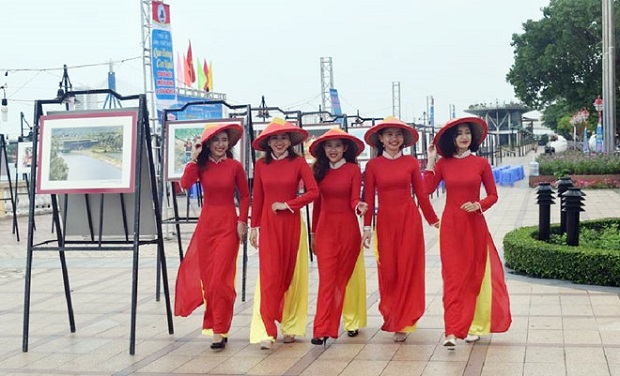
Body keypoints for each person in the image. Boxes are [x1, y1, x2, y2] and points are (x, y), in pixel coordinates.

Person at [424, 116, 511, 348]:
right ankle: (451, 331)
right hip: (451, 226)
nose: (464, 137)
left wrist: (479, 205)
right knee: (452, 277)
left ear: (472, 138)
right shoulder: (443, 164)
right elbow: (426, 189)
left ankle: (473, 326)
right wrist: (431, 160)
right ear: (452, 139)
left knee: (474, 275)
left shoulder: (481, 163)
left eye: (467, 133)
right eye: (458, 134)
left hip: (474, 225)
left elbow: (493, 195)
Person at [361, 117, 439, 342]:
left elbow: (421, 194)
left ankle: (404, 320)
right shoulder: (373, 166)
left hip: (409, 221)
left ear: (403, 139)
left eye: (398, 134)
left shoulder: (411, 163)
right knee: (389, 271)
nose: (393, 139)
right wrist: (367, 227)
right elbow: (367, 199)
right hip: (385, 223)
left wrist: (433, 220)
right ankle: (392, 313)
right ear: (381, 140)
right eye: (389, 135)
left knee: (408, 269)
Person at [174, 122, 250, 351]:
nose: (220, 145)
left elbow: (245, 197)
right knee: (209, 282)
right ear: (207, 144)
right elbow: (185, 184)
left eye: (224, 140)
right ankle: (217, 327)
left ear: (230, 143)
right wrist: (194, 157)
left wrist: (242, 221)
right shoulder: (201, 166)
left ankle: (219, 328)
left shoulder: (235, 167)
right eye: (216, 141)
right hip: (206, 227)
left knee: (221, 281)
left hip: (228, 227)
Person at [248, 118, 319, 349]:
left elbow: (313, 192)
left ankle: (290, 326)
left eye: (283, 138)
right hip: (268, 227)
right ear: (268, 142)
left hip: (292, 226)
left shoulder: (298, 163)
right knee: (269, 276)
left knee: (292, 275)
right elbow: (257, 198)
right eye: (275, 138)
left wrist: (289, 204)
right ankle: (267, 331)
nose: (279, 142)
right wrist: (254, 227)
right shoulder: (261, 165)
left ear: (290, 141)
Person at [308, 127, 368, 345]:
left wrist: (359, 206)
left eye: (337, 146)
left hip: (347, 231)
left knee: (341, 280)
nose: (333, 150)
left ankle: (337, 324)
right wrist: (313, 234)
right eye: (329, 146)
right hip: (324, 231)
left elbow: (353, 199)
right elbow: (316, 205)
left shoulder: (353, 170)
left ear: (345, 148)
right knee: (326, 281)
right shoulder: (318, 171)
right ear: (323, 149)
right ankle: (321, 329)